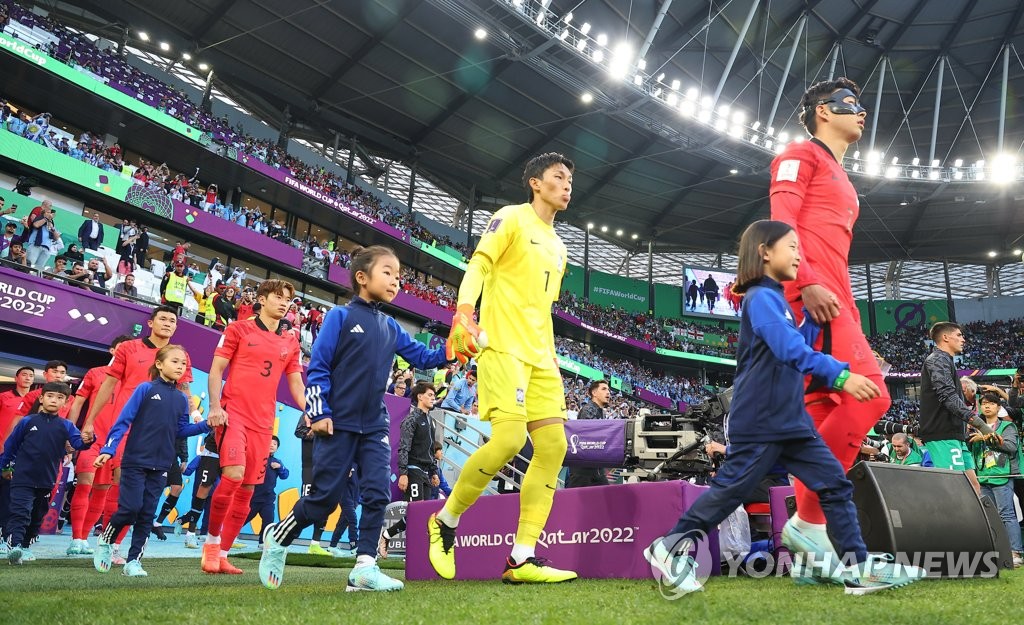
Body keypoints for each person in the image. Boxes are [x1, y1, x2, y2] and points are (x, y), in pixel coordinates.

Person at [645, 220, 924, 596]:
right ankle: (669, 546)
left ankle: (860, 570)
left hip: (789, 421)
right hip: (761, 420)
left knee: (835, 485)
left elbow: (795, 342)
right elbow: (787, 349)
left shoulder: (775, 299)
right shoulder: (760, 298)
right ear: (764, 251)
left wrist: (816, 317)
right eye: (790, 246)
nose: (798, 254)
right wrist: (841, 377)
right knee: (729, 492)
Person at [259, 245, 450, 592]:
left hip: (374, 425)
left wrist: (457, 348)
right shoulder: (340, 317)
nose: (396, 281)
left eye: (399, 276)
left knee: (377, 494)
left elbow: (425, 356)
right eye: (388, 273)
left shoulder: (391, 326)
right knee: (322, 502)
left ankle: (363, 568)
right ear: (362, 278)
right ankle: (278, 537)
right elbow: (318, 369)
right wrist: (319, 413)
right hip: (337, 424)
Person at [768, 78, 895, 583]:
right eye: (851, 105)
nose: (861, 112)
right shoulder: (801, 153)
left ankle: (809, 547)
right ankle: (809, 523)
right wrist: (808, 281)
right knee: (873, 398)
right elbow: (781, 220)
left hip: (835, 296)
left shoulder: (837, 170)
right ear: (822, 111)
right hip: (813, 297)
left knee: (823, 408)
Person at [428, 153, 576, 584]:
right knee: (510, 439)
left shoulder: (560, 246)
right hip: (502, 347)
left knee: (552, 449)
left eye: (570, 180)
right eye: (558, 177)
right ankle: (445, 521)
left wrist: (550, 355)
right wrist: (463, 312)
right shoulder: (510, 218)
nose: (567, 186)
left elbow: (542, 309)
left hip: (541, 355)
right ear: (535, 182)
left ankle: (522, 558)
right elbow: (479, 265)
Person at [201, 280, 305, 575]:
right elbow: (216, 369)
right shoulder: (237, 329)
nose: (284, 303)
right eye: (278, 297)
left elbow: (295, 382)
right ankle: (210, 544)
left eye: (288, 300)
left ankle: (222, 554)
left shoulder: (290, 340)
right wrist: (214, 406)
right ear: (261, 299)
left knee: (247, 491)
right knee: (232, 477)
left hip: (263, 423)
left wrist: (309, 410)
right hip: (234, 414)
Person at [81, 306, 193, 564]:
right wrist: (90, 421)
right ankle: (106, 541)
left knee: (144, 500)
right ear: (151, 322)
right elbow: (109, 383)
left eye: (172, 321)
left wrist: (196, 416)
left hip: (156, 433)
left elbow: (185, 390)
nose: (167, 323)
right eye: (162, 319)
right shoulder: (128, 348)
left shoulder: (179, 356)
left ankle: (117, 547)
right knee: (117, 482)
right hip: (126, 425)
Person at [92, 345, 210, 577]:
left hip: (162, 465)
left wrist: (207, 425)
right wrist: (109, 448)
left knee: (147, 515)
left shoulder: (180, 399)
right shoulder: (145, 389)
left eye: (183, 364)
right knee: (130, 509)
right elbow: (124, 420)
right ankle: (106, 542)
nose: (180, 367)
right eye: (175, 361)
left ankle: (133, 561)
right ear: (159, 364)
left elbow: (182, 430)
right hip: (135, 461)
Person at [1, 382, 91, 565]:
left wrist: (88, 440)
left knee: (37, 516)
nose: (54, 400)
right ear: (41, 399)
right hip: (22, 477)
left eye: (60, 398)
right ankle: (15, 546)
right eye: (50, 396)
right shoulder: (27, 421)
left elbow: (78, 444)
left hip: (47, 479)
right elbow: (11, 446)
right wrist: (5, 467)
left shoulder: (66, 426)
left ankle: (25, 547)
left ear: (65, 403)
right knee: (21, 512)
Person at [65, 336, 131, 556]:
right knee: (85, 483)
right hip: (91, 438)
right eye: (121, 348)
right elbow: (79, 402)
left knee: (103, 491)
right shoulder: (95, 373)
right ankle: (75, 539)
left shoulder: (135, 378)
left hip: (118, 441)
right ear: (112, 350)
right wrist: (71, 432)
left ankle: (85, 538)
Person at [919, 322, 999, 496]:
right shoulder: (937, 359)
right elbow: (947, 396)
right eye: (959, 335)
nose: (963, 339)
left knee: (974, 488)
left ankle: (974, 524)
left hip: (955, 436)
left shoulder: (945, 361)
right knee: (955, 491)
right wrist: (980, 424)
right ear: (945, 337)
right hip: (943, 435)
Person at [380, 381, 440, 557]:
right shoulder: (411, 420)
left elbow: (431, 450)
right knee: (417, 512)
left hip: (426, 474)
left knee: (425, 515)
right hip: (413, 470)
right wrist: (403, 474)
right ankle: (387, 537)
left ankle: (412, 550)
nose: (432, 398)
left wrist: (434, 472)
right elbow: (403, 447)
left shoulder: (432, 422)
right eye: (429, 395)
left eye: (434, 396)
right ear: (420, 397)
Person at [968, 392, 1022, 566]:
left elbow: (1011, 447)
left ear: (999, 407)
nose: (987, 406)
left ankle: (1016, 552)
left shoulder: (1007, 427)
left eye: (991, 403)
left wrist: (985, 438)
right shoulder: (973, 428)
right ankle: (997, 551)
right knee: (989, 516)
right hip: (983, 476)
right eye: (984, 403)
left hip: (1002, 475)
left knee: (1006, 514)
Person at [566, 379, 610, 488]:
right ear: (594, 393)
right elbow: (591, 438)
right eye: (604, 389)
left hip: (595, 468)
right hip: (584, 470)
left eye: (608, 389)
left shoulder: (600, 412)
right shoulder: (588, 410)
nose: (608, 392)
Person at [245, 436, 288, 547]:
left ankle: (263, 542)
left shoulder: (277, 462)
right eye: (270, 443)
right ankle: (231, 537)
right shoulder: (257, 458)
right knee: (244, 518)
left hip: (268, 499)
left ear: (277, 448)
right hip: (254, 497)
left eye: (275, 444)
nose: (272, 445)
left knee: (269, 521)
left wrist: (280, 467)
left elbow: (285, 475)